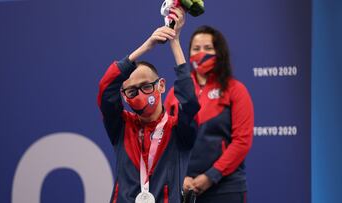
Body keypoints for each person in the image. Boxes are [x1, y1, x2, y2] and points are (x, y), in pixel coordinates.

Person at [97, 8, 199, 203]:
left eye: (146, 86)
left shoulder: (178, 130)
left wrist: (175, 42)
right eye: (132, 91)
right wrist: (147, 46)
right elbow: (106, 88)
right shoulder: (121, 126)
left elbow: (191, 102)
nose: (140, 95)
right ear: (125, 97)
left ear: (161, 85)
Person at [164, 25, 254, 202]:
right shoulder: (176, 93)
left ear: (219, 52)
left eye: (208, 48)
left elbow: (242, 141)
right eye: (196, 49)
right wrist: (180, 177)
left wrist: (211, 176)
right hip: (184, 187)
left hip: (225, 188)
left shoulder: (235, 90)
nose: (201, 53)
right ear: (188, 54)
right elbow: (166, 140)